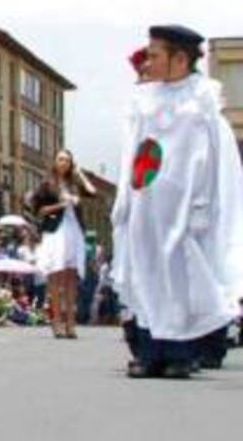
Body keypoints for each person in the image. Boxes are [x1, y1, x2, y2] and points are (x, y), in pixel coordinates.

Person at [112, 25, 243, 378]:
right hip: (146, 204)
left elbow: (211, 159)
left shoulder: (200, 100)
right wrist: (125, 197)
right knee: (145, 273)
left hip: (183, 208)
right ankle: (149, 350)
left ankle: (180, 352)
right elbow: (132, 153)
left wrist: (202, 204)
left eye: (155, 55)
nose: (148, 61)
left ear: (180, 58)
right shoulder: (144, 100)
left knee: (179, 279)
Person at [30, 149, 96, 338]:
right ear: (55, 162)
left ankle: (70, 323)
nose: (63, 163)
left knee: (70, 278)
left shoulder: (74, 184)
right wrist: (62, 205)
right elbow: (38, 210)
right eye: (60, 159)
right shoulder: (47, 184)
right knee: (55, 277)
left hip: (73, 232)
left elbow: (92, 191)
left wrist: (80, 173)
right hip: (54, 232)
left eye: (67, 160)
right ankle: (57, 322)